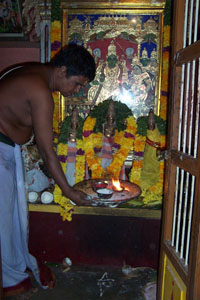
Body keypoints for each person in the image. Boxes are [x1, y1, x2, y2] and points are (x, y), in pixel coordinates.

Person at [0, 44, 96, 297]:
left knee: (12, 220)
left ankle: (15, 267)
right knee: (3, 223)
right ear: (62, 71)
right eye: (77, 84)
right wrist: (68, 192)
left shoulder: (33, 72)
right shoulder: (41, 91)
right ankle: (9, 282)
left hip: (7, 149)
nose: (77, 91)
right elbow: (46, 152)